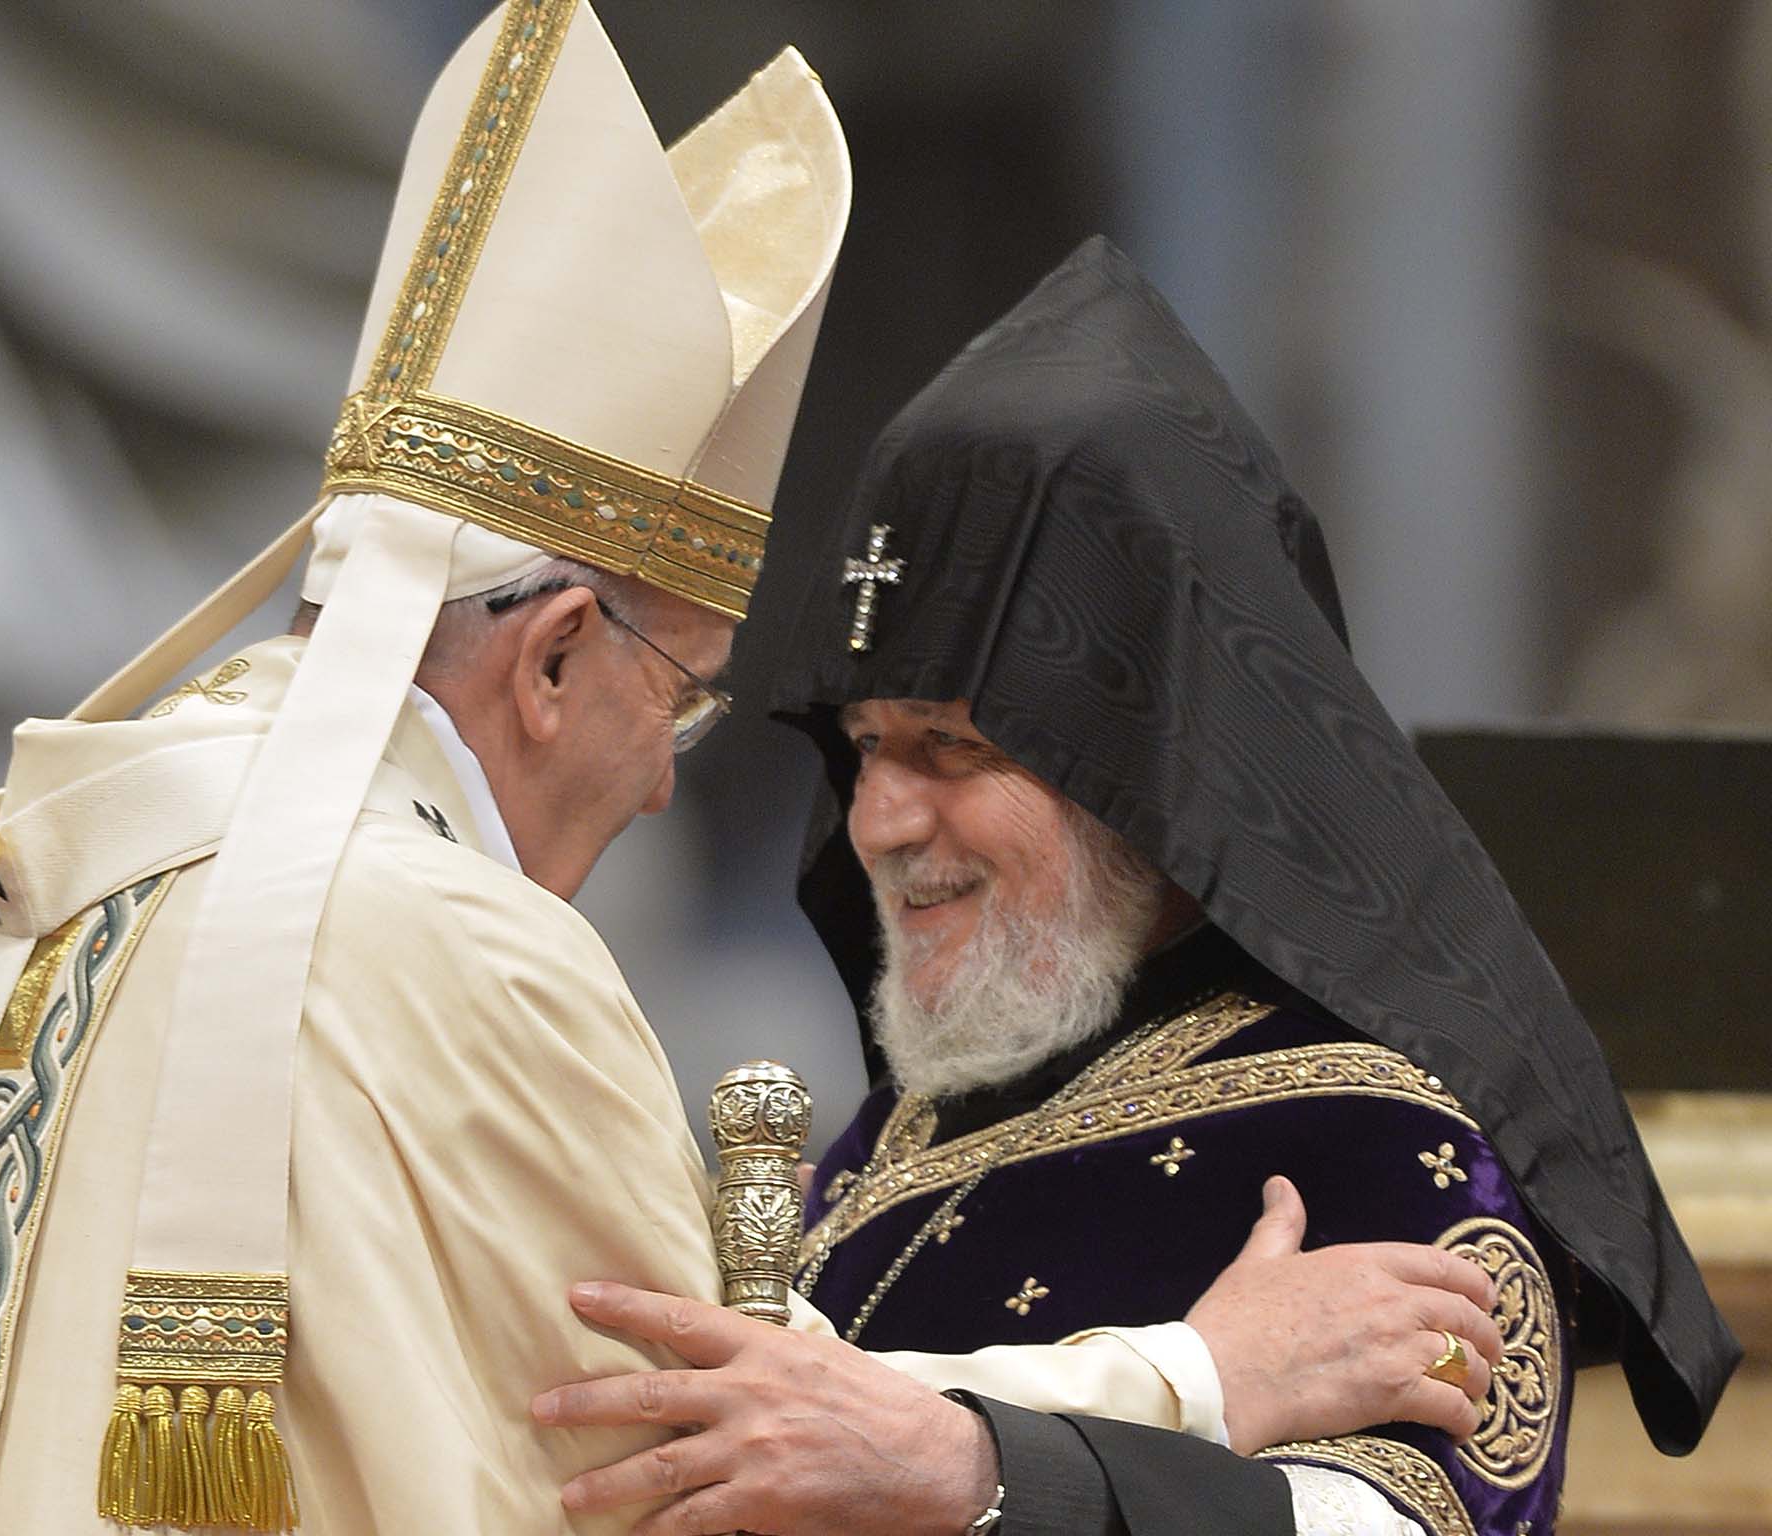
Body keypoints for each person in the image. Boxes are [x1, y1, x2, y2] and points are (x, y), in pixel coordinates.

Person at [0, 3, 854, 1531]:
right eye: (681, 697)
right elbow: (710, 1465)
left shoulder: (22, 868)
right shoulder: (476, 954)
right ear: (552, 659)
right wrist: (1183, 1387)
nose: (664, 781)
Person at [536, 238, 1740, 1535]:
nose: (881, 818)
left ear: (1157, 779)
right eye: (869, 748)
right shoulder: (879, 1156)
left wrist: (984, 1477)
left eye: (955, 751)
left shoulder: (1390, 1144)